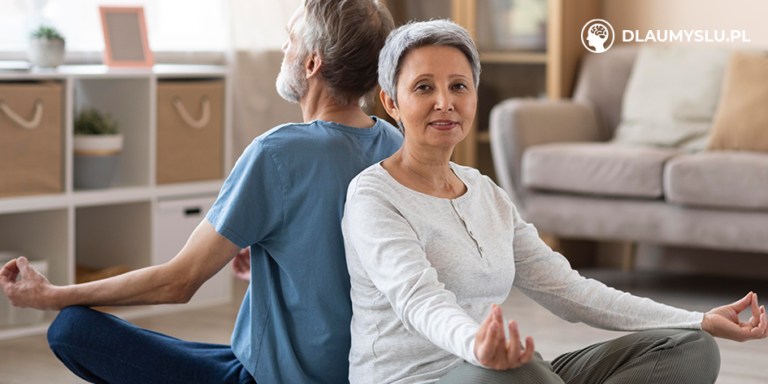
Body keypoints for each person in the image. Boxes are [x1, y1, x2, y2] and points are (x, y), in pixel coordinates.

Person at [341, 20, 767, 384]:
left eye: (458, 86)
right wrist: (479, 348)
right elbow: (420, 301)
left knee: (691, 347)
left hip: (502, 372)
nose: (444, 102)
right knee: (519, 372)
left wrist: (696, 319)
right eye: (423, 87)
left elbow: (569, 291)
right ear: (391, 101)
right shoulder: (373, 196)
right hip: (428, 377)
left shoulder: (484, 192)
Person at [0, 1, 400, 383]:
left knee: (70, 327)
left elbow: (179, 282)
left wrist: (51, 294)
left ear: (312, 62)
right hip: (356, 373)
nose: (283, 47)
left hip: (265, 378)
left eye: (291, 37)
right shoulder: (393, 144)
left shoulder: (277, 152)